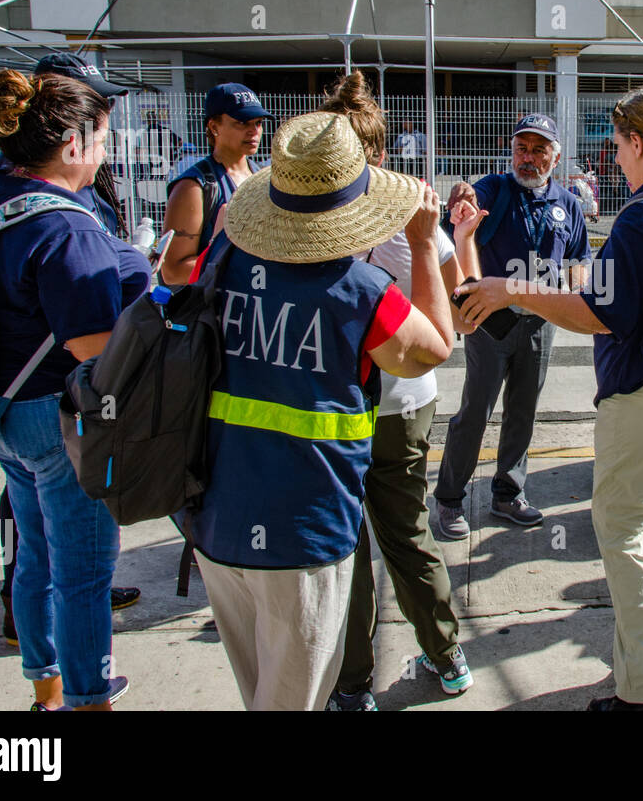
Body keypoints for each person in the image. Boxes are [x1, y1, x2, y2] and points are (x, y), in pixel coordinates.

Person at [455, 88, 643, 710]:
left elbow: (603, 314)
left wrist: (511, 288)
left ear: (637, 141)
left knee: (626, 526)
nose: (615, 157)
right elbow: (631, 283)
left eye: (617, 145)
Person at [188, 111, 454, 711]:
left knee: (258, 685)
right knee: (295, 696)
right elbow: (435, 345)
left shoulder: (223, 261)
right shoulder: (359, 290)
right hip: (303, 532)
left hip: (216, 517)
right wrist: (418, 241)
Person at [0, 70, 150, 710]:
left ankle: (45, 688)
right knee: (83, 574)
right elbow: (93, 347)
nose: (107, 153)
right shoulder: (67, 228)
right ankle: (89, 697)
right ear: (75, 145)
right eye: (104, 140)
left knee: (34, 557)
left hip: (0, 410)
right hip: (58, 418)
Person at [318, 72, 482, 710]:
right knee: (407, 530)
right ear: (383, 152)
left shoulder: (306, 210)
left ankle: (353, 684)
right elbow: (455, 303)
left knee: (349, 545)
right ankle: (447, 656)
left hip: (336, 402)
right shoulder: (413, 209)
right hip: (408, 396)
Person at [432, 113, 590, 541]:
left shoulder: (569, 204)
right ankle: (449, 499)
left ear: (555, 158)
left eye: (540, 150)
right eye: (522, 148)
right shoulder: (494, 189)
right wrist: (460, 199)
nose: (529, 158)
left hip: (542, 320)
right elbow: (458, 223)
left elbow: (579, 260)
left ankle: (508, 493)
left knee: (524, 410)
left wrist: (574, 296)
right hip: (490, 320)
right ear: (512, 151)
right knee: (476, 410)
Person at [160, 83, 267, 286]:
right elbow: (173, 272)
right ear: (214, 126)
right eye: (242, 123)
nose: (253, 131)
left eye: (259, 122)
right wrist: (241, 266)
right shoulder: (193, 186)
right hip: (211, 312)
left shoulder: (263, 177)